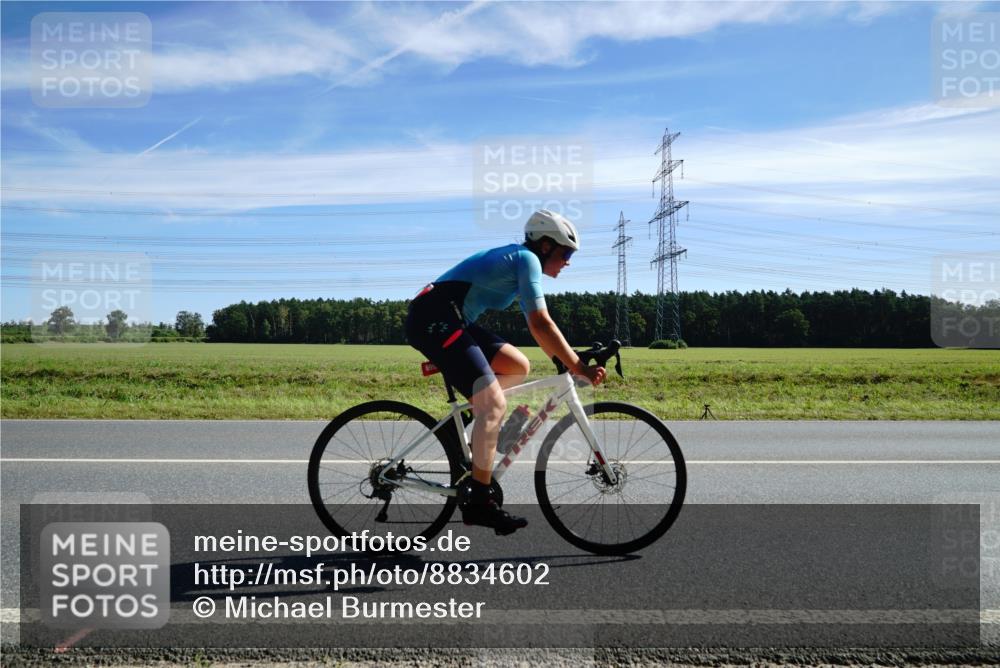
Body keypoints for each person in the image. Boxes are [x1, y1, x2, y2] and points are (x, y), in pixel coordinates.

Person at [405, 209, 606, 535]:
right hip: (434, 317)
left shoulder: (524, 261)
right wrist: (578, 365)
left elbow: (540, 327)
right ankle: (480, 503)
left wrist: (567, 358)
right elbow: (541, 323)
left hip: (452, 319)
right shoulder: (527, 260)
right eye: (565, 252)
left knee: (517, 366)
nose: (568, 261)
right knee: (494, 404)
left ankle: (475, 430)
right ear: (545, 246)